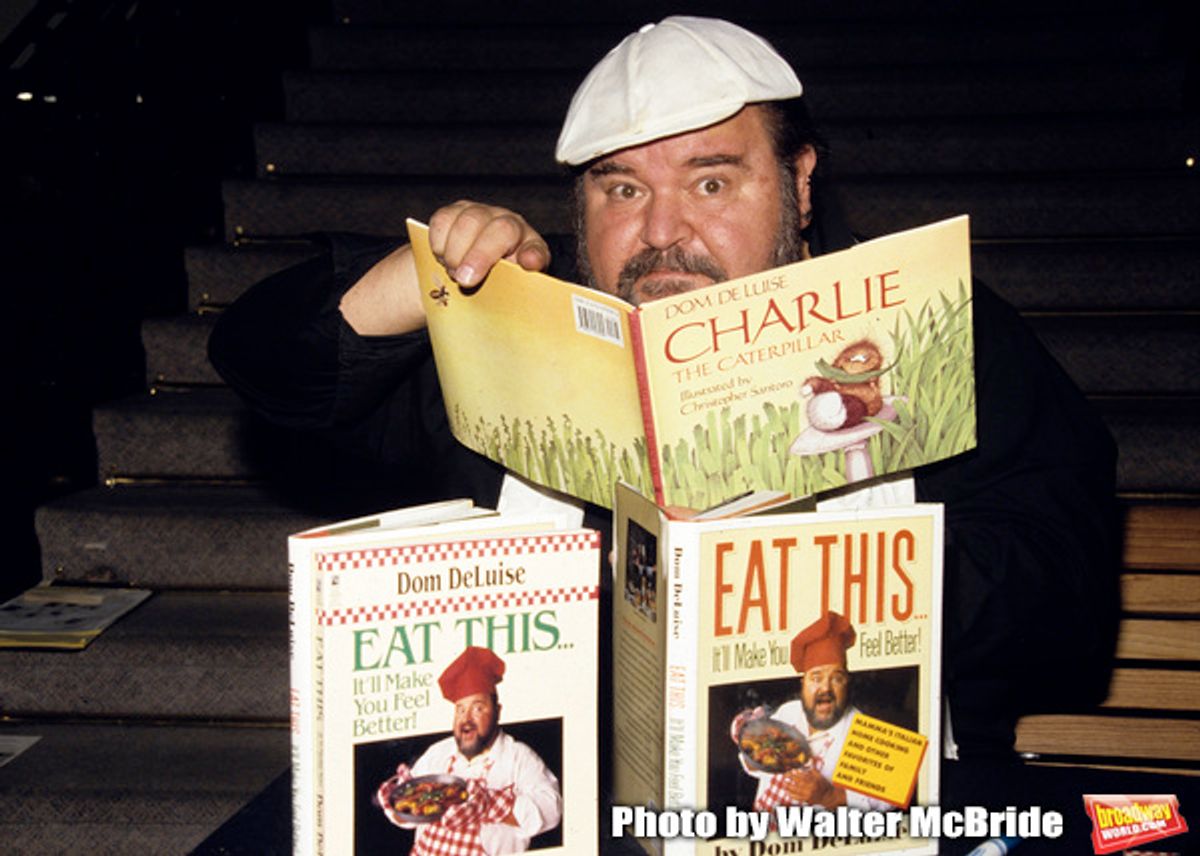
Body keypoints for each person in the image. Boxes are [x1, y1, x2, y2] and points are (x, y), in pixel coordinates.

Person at [210, 16, 1120, 756]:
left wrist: (795, 585)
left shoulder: (935, 325)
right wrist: (418, 283)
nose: (662, 231)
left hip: (861, 789)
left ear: (800, 185)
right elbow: (264, 361)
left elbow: (1065, 595)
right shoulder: (511, 338)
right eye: (621, 191)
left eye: (712, 180)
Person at [376, 646, 561, 854]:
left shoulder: (518, 757)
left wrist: (489, 805)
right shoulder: (437, 753)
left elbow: (552, 810)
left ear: (497, 712)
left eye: (478, 708)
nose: (466, 720)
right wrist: (396, 802)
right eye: (460, 710)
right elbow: (409, 818)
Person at [732, 612, 890, 812]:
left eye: (837, 678)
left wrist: (832, 796)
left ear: (847, 683)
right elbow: (758, 768)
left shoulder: (866, 734)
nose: (826, 689)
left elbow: (889, 798)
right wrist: (752, 748)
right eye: (816, 678)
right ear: (803, 684)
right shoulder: (788, 713)